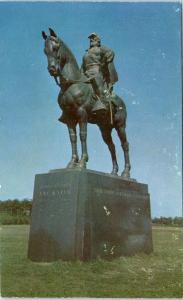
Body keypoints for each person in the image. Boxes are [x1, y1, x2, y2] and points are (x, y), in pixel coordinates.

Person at [81, 33, 118, 112]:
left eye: (93, 38)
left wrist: (104, 62)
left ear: (97, 40)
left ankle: (102, 103)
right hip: (86, 73)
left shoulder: (101, 48)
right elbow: (82, 66)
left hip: (96, 71)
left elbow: (111, 52)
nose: (91, 40)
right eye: (90, 39)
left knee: (97, 82)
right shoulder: (86, 53)